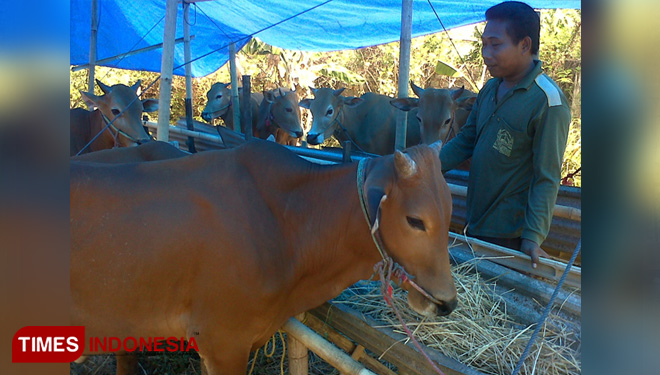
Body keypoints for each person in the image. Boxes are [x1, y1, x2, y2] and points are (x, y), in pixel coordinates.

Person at [439, 1, 571, 268]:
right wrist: (426, 164)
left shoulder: (547, 102)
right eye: (484, 44)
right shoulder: (490, 89)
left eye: (495, 44)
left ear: (525, 45)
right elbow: (466, 140)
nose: (486, 53)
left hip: (510, 235)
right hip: (475, 220)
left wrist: (533, 237)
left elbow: (546, 176)